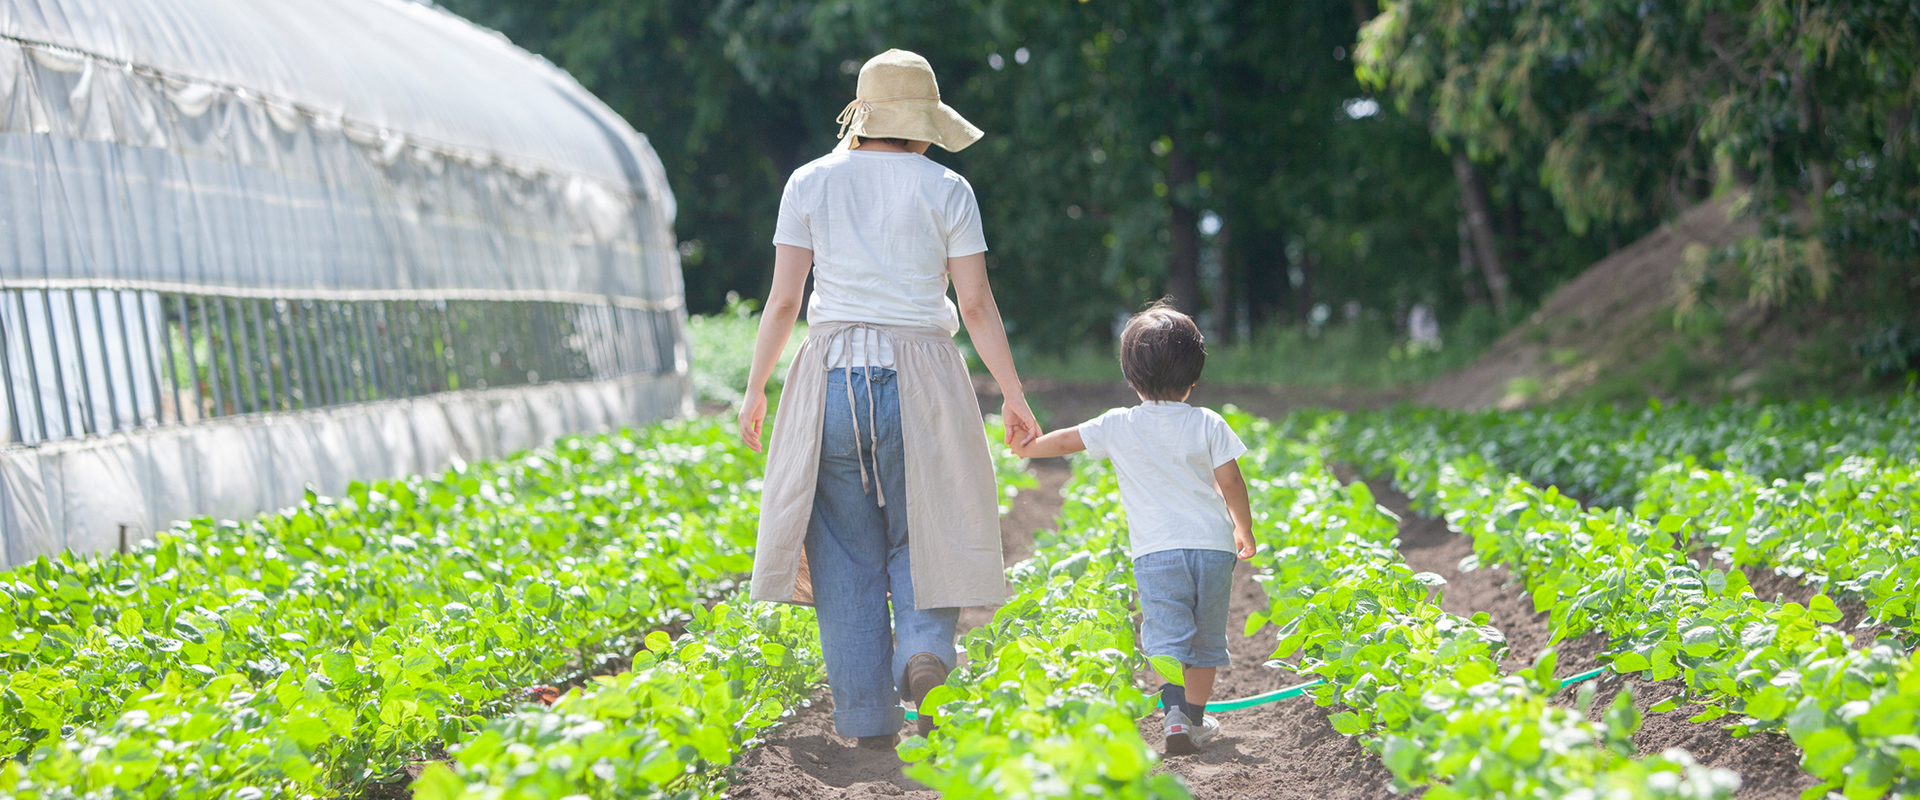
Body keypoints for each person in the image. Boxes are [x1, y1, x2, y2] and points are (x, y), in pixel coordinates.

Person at [739, 49, 1040, 749]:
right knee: (928, 526)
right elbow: (975, 303)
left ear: (863, 116)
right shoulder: (948, 190)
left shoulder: (809, 181)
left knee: (844, 549)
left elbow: (785, 301)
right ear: (923, 124)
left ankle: (868, 722)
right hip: (924, 377)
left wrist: (757, 389)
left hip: (832, 377)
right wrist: (1014, 396)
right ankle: (924, 653)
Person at [1009, 301, 1256, 755]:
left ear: (1130, 376)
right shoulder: (1208, 422)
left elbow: (1066, 440)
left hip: (1157, 551)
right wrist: (1244, 529)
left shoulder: (1118, 424)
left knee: (1165, 634)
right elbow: (1231, 482)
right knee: (1206, 637)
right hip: (1213, 548)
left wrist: (1028, 447)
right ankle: (1194, 719)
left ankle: (1175, 716)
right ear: (1195, 375)